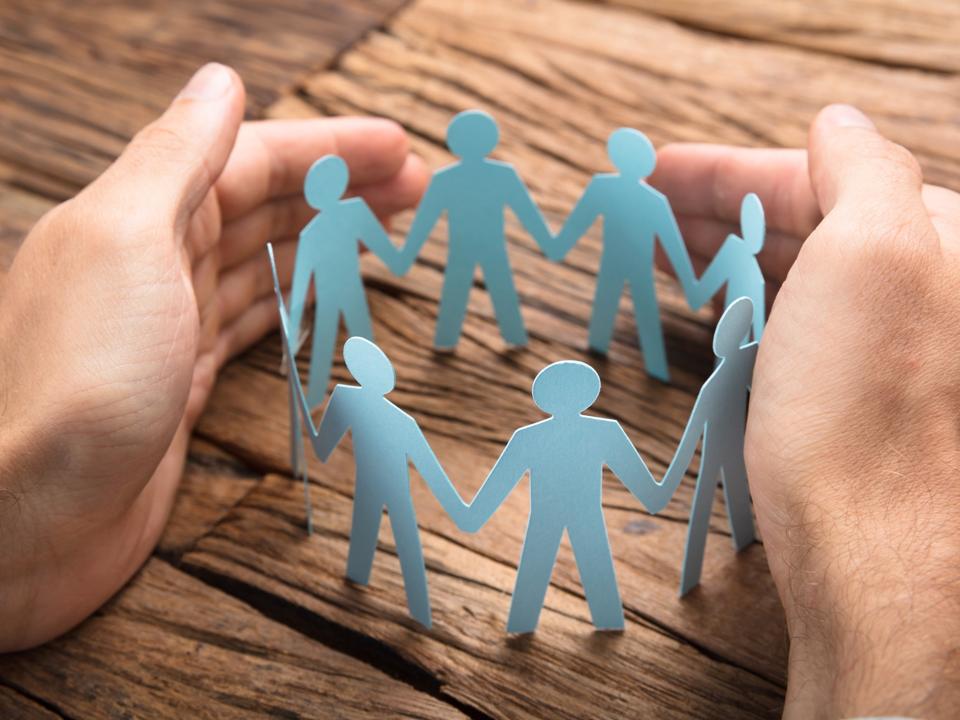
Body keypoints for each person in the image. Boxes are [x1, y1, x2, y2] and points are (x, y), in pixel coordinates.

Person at [0, 60, 957, 716]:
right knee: (469, 357)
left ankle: (576, 546)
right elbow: (615, 454)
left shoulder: (484, 413)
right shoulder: (511, 381)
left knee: (485, 492)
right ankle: (605, 581)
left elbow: (383, 415)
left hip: (504, 389)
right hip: (527, 365)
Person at [451, 360, 675, 633]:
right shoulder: (603, 432)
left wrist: (471, 516)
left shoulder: (529, 436)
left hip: (550, 515)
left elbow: (497, 486)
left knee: (540, 567)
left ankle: (527, 625)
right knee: (589, 568)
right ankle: (601, 622)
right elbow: (646, 490)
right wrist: (664, 489)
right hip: (581, 515)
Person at [546, 128, 697, 381]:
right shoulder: (645, 198)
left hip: (627, 262)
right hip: (624, 262)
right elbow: (672, 243)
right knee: (626, 307)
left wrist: (559, 246)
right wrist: (690, 282)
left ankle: (646, 362)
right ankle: (614, 351)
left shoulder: (628, 193)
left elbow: (672, 241)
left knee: (630, 307)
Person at [396, 110, 554, 349]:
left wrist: (407, 254)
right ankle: (468, 339)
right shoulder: (496, 174)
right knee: (479, 289)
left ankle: (463, 339)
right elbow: (527, 212)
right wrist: (548, 242)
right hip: (479, 246)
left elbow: (424, 220)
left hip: (476, 246)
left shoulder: (449, 178)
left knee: (472, 290)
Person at [287, 155, 406, 408]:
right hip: (332, 292)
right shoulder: (314, 231)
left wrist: (397, 261)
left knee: (353, 341)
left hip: (348, 289)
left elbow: (377, 241)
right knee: (331, 343)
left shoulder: (342, 217)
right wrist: (294, 322)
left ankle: (364, 400)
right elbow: (300, 280)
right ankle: (315, 400)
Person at [660, 297, 758, 596]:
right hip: (733, 442)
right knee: (732, 490)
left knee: (705, 501)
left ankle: (696, 572)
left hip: (725, 444)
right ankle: (741, 538)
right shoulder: (751, 356)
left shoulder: (720, 379)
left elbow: (692, 435)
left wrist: (667, 483)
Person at [687, 193, 766, 341]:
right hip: (728, 338)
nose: (758, 236)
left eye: (760, 230)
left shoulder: (756, 274)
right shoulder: (734, 249)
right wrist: (696, 296)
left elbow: (758, 331)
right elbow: (710, 282)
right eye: (754, 228)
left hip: (739, 345)